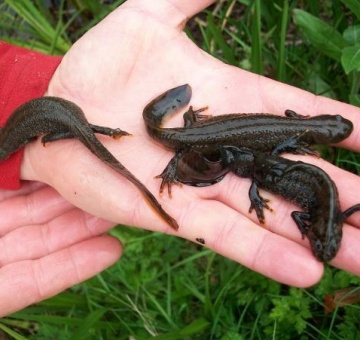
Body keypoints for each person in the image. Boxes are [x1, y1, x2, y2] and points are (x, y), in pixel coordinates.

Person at [1, 0, 360, 317]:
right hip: (187, 136)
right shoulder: (296, 132)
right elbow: (280, 146)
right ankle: (180, 146)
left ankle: (189, 126)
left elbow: (285, 129)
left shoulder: (297, 125)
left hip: (198, 131)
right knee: (183, 142)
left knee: (194, 136)